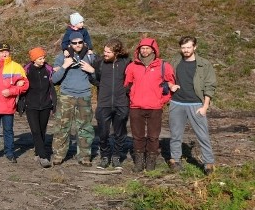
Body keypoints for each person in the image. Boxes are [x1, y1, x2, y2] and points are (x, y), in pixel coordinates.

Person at [124, 37, 175, 172]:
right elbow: (127, 85)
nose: (145, 51)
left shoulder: (164, 66)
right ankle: (139, 162)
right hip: (136, 107)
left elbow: (171, 85)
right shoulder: (132, 66)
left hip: (155, 107)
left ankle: (151, 162)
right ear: (138, 49)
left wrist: (162, 100)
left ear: (154, 50)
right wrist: (133, 98)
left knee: (153, 136)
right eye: (142, 48)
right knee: (137, 136)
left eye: (147, 48)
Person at [168, 36, 217, 175]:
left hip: (196, 104)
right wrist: (170, 85)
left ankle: (208, 163)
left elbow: (210, 85)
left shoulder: (204, 64)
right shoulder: (174, 61)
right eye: (183, 48)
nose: (186, 50)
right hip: (177, 103)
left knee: (202, 135)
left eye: (188, 47)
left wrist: (205, 106)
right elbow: (166, 77)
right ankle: (175, 160)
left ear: (195, 47)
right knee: (175, 134)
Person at [50, 31, 97, 166]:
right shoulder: (62, 57)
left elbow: (97, 79)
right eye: (74, 43)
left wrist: (91, 70)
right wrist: (65, 65)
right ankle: (59, 155)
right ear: (69, 44)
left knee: (85, 128)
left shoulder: (91, 56)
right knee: (62, 127)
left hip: (84, 96)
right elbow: (54, 80)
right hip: (67, 96)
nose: (77, 45)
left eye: (80, 42)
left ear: (84, 42)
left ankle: (84, 157)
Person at [91, 39, 132, 170]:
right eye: (104, 51)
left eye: (108, 52)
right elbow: (93, 78)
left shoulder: (126, 63)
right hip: (104, 103)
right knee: (103, 133)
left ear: (117, 52)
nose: (105, 54)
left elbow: (131, 79)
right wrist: (102, 86)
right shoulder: (99, 63)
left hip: (121, 103)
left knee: (120, 133)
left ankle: (116, 157)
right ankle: (104, 156)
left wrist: (125, 90)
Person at [22, 47, 56, 168]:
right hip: (31, 105)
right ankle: (43, 156)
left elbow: (53, 85)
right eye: (40, 58)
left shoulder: (48, 69)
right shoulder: (27, 70)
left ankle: (37, 151)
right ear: (34, 59)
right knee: (35, 130)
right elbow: (19, 82)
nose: (43, 60)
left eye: (43, 58)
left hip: (46, 105)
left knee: (42, 130)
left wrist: (54, 103)